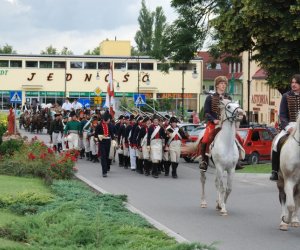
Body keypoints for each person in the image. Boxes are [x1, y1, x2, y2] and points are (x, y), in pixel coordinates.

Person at [270, 74, 300, 181]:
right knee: (276, 142)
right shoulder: (286, 96)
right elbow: (282, 115)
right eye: (292, 82)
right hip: (289, 126)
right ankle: (274, 171)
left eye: (296, 82)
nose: (293, 85)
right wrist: (287, 127)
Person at [199, 76, 232, 172]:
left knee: (238, 138)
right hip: (213, 124)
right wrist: (213, 120)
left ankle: (237, 159)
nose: (224, 85)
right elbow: (206, 112)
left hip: (225, 124)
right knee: (205, 139)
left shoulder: (228, 98)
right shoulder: (210, 97)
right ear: (217, 85)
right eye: (222, 83)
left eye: (225, 84)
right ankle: (204, 161)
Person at [95, 111, 115, 177]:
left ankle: (106, 168)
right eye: (109, 119)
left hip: (108, 142)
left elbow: (112, 133)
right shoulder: (99, 126)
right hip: (102, 142)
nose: (109, 120)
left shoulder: (110, 125)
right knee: (103, 156)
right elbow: (95, 135)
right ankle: (104, 172)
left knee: (107, 156)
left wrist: (113, 140)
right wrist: (98, 137)